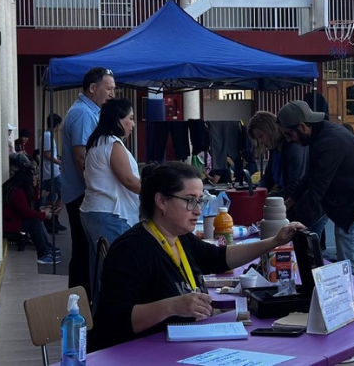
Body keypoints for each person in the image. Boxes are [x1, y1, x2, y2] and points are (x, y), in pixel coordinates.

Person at [92, 162, 305, 351]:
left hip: (175, 347)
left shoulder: (180, 238)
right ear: (161, 201)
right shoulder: (130, 249)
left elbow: (220, 257)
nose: (198, 211)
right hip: (134, 354)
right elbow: (115, 320)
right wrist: (172, 306)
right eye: (190, 201)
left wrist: (274, 242)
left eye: (200, 201)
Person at [277, 100, 354, 281]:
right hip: (352, 204)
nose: (289, 140)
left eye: (289, 134)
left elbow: (316, 191)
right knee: (347, 265)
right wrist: (288, 203)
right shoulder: (321, 135)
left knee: (352, 270)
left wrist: (290, 224)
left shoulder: (329, 142)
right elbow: (310, 177)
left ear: (302, 126)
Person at [61, 67, 116, 301]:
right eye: (109, 88)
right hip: (83, 194)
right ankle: (79, 306)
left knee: (86, 251)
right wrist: (95, 190)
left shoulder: (90, 111)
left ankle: (81, 303)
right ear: (93, 89)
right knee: (84, 252)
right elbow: (81, 156)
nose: (113, 94)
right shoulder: (84, 114)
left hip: (83, 194)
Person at [81, 98, 141, 296]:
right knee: (116, 271)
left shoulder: (97, 142)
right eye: (130, 119)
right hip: (110, 214)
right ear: (118, 120)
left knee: (101, 270)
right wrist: (159, 192)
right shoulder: (112, 144)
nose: (132, 124)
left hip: (96, 212)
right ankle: (113, 318)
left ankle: (102, 319)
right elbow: (129, 180)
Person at [2, 155, 61, 265]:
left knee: (35, 219)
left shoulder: (18, 189)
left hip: (12, 220)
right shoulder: (17, 192)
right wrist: (43, 215)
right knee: (34, 221)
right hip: (9, 225)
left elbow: (29, 204)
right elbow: (26, 212)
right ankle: (43, 253)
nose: (36, 179)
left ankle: (46, 248)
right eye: (33, 177)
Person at [247, 111, 308, 199]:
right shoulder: (275, 149)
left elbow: (296, 186)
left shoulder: (294, 146)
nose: (260, 142)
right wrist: (256, 193)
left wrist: (266, 197)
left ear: (271, 130)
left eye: (260, 136)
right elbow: (268, 179)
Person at [41, 113, 66, 233]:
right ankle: (53, 219)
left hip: (50, 171)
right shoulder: (47, 136)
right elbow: (47, 155)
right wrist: (60, 162)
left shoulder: (47, 136)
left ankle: (50, 219)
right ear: (56, 125)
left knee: (52, 196)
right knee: (62, 194)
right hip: (51, 172)